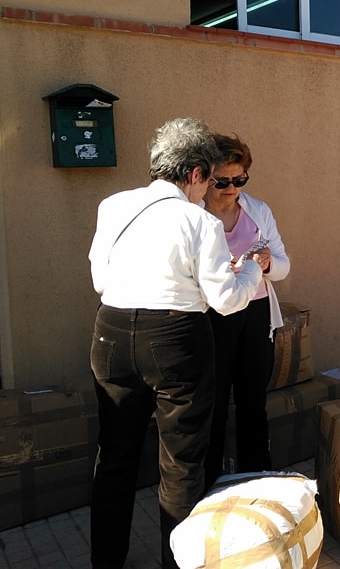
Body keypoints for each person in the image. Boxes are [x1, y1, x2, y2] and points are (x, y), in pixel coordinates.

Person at [87, 117, 267, 569]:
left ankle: (106, 560)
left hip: (111, 332)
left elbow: (100, 279)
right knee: (181, 463)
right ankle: (179, 562)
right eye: (208, 180)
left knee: (114, 456)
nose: (207, 190)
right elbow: (225, 300)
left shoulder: (113, 205)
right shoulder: (199, 220)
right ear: (196, 174)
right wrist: (249, 270)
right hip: (175, 338)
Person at [202, 133, 290, 489]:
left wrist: (266, 264)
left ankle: (257, 479)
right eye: (222, 181)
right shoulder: (194, 215)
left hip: (255, 314)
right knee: (212, 405)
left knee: (253, 402)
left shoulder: (257, 211)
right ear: (204, 177)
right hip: (212, 316)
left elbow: (283, 266)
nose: (231, 189)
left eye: (239, 180)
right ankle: (208, 484)